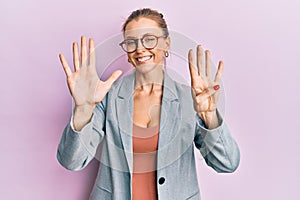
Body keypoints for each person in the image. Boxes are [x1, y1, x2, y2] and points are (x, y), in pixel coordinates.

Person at [57, 8, 240, 200]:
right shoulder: (108, 97)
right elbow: (72, 161)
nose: (140, 48)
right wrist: (83, 110)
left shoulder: (191, 99)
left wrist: (209, 116)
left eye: (149, 39)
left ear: (166, 43)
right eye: (131, 42)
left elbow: (227, 163)